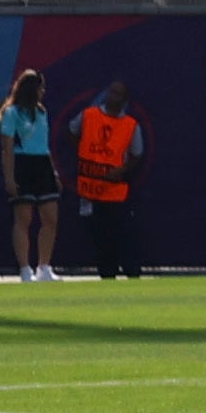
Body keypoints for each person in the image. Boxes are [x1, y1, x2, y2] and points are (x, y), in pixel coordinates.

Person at [0, 66, 64, 284]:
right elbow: (7, 148)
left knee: (50, 218)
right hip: (22, 164)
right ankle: (25, 269)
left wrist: (53, 171)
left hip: (42, 165)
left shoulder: (42, 112)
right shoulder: (11, 113)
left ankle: (44, 267)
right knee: (24, 218)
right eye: (40, 88)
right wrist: (9, 177)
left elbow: (44, 144)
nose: (42, 92)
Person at [70, 81, 145, 278]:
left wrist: (122, 170)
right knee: (99, 239)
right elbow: (72, 131)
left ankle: (132, 271)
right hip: (90, 189)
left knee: (123, 235)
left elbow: (137, 154)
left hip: (115, 191)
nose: (113, 96)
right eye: (111, 92)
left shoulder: (130, 125)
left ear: (124, 100)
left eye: (118, 94)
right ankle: (107, 274)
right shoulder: (89, 115)